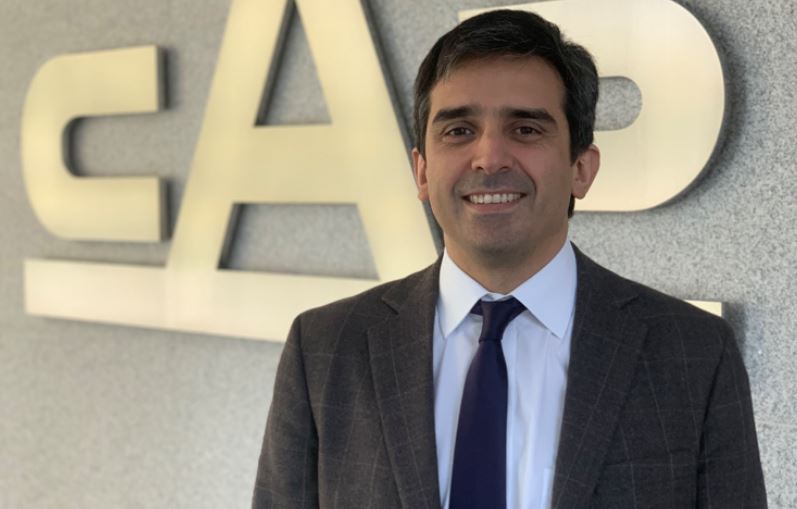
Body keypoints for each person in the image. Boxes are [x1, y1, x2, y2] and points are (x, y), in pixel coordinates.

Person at [252, 9, 766, 509]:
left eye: (526, 129)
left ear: (582, 169)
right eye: (459, 130)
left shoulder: (694, 353)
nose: (490, 158)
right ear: (422, 171)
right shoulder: (324, 349)